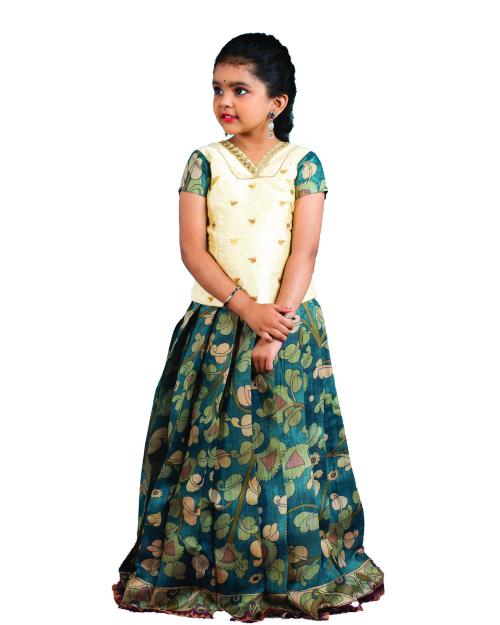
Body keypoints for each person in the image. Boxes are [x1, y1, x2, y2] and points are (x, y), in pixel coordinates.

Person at [112, 32, 385, 622]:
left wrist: (273, 326)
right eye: (217, 89)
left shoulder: (303, 164)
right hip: (215, 329)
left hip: (288, 329)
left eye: (240, 90)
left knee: (286, 452)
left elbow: (304, 252)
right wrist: (246, 309)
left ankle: (293, 569)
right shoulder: (203, 161)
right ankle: (204, 573)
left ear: (277, 102)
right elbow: (193, 250)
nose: (224, 102)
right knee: (207, 453)